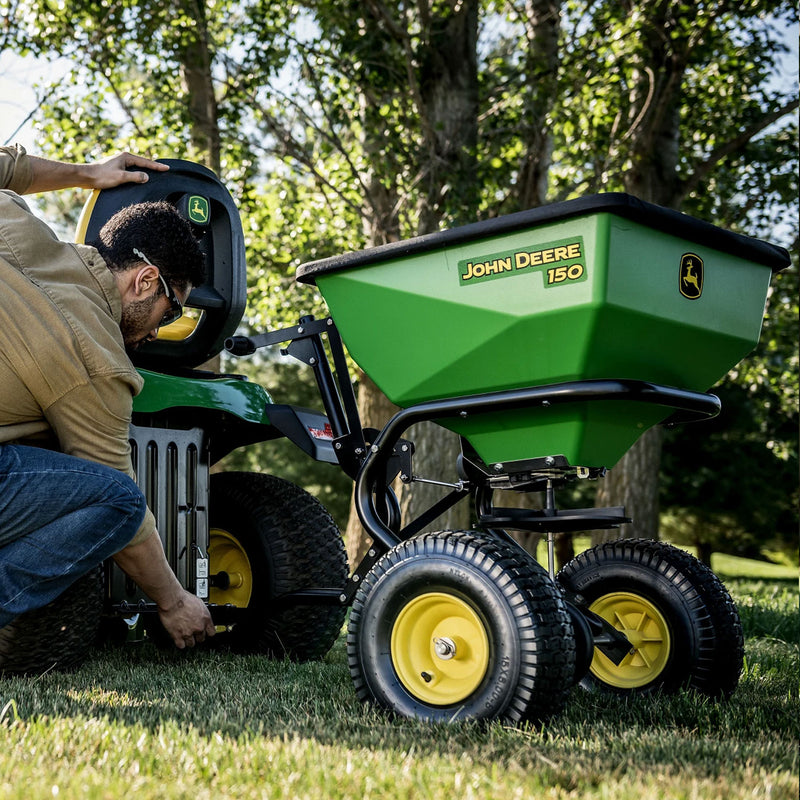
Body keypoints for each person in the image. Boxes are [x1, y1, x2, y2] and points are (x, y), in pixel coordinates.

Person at [0, 144, 215, 650]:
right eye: (170, 312)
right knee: (119, 500)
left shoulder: (12, 217)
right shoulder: (96, 357)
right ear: (144, 281)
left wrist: (85, 174)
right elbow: (126, 512)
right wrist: (174, 601)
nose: (162, 331)